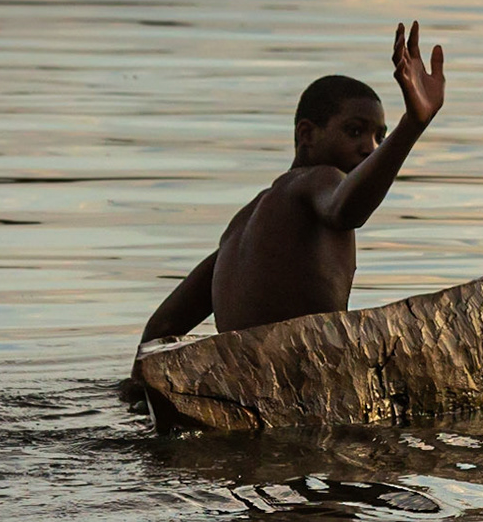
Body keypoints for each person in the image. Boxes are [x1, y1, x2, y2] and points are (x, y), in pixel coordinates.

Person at [139, 22, 447, 343]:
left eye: (379, 137)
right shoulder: (319, 180)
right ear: (307, 134)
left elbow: (160, 330)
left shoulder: (238, 227)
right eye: (354, 131)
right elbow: (346, 211)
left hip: (241, 383)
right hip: (304, 383)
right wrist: (411, 126)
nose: (370, 147)